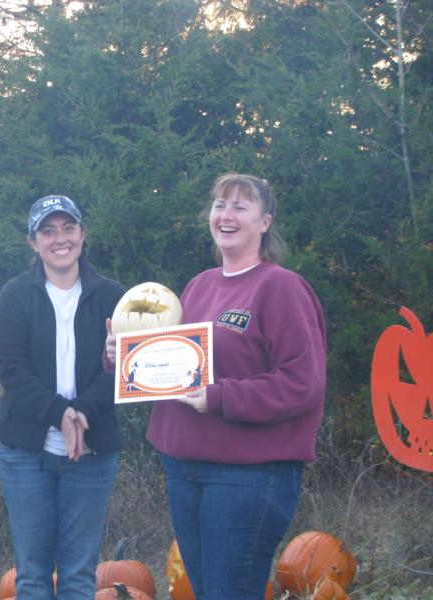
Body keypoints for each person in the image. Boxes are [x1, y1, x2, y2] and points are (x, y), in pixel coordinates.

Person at [106, 174, 326, 600]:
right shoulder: (199, 286)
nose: (226, 215)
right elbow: (170, 363)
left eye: (240, 207)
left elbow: (303, 384)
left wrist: (219, 397)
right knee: (206, 591)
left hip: (246, 476)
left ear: (264, 222)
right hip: (183, 466)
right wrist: (122, 355)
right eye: (219, 205)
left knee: (230, 592)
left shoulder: (280, 287)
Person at [0, 195, 125, 600]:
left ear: (83, 235)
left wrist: (80, 412)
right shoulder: (16, 295)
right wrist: (59, 413)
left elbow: (123, 367)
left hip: (93, 451)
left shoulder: (112, 295)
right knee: (31, 574)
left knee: (80, 574)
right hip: (26, 452)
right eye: (48, 231)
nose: (60, 239)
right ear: (34, 242)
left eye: (68, 228)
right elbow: (12, 370)